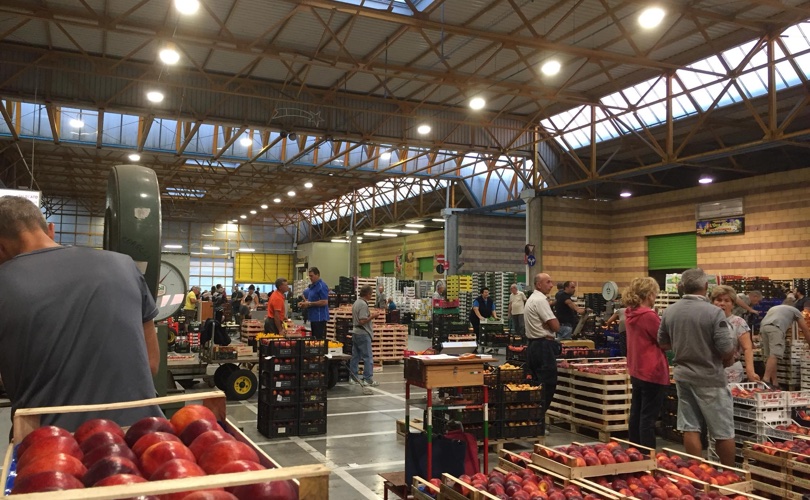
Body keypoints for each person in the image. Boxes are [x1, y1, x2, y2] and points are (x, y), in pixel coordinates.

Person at [0, 196, 162, 429]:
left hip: (51, 440)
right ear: (51, 230)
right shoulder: (125, 265)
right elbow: (151, 364)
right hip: (141, 435)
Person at [657, 268, 736, 466]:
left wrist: (683, 345)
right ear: (706, 286)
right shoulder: (714, 312)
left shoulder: (670, 311)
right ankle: (730, 474)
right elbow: (726, 348)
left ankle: (696, 471)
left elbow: (662, 342)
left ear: (681, 286)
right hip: (710, 377)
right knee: (722, 431)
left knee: (690, 426)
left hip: (683, 376)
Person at [624, 277, 668, 450]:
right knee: (648, 418)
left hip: (637, 369)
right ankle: (647, 455)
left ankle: (634, 452)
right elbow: (663, 341)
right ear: (649, 295)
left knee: (636, 413)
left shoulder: (630, 313)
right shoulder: (649, 316)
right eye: (655, 293)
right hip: (652, 370)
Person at [523, 273, 560, 434]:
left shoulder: (531, 299)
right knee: (548, 384)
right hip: (543, 346)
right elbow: (556, 326)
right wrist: (551, 324)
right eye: (548, 282)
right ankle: (538, 420)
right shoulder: (540, 300)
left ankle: (533, 419)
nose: (551, 285)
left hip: (533, 345)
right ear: (538, 284)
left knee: (537, 383)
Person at [711, 285, 759, 383]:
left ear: (732, 304)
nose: (722, 303)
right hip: (708, 371)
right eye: (718, 300)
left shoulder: (738, 322)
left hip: (731, 372)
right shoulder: (705, 321)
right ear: (712, 302)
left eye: (726, 301)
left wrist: (750, 371)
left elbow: (747, 348)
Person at [759, 300, 810, 386]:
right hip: (775, 328)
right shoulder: (795, 310)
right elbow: (805, 329)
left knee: (770, 356)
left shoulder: (774, 308)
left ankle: (775, 383)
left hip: (763, 328)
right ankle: (766, 379)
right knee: (775, 354)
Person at [349, 285, 380, 387]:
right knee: (368, 357)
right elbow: (362, 321)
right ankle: (368, 379)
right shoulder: (363, 304)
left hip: (356, 332)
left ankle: (353, 377)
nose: (371, 296)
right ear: (368, 294)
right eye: (371, 294)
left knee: (355, 356)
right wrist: (373, 316)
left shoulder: (356, 302)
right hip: (363, 333)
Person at [301, 267, 330, 340]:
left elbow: (324, 302)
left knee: (318, 340)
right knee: (314, 339)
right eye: (309, 276)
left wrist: (309, 304)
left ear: (317, 275)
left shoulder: (321, 286)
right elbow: (311, 300)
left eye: (312, 276)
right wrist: (305, 303)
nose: (310, 278)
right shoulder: (312, 287)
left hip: (320, 318)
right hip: (313, 317)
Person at [470, 287, 498, 353]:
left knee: (486, 332)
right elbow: (475, 309)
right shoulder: (477, 300)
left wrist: (495, 317)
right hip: (475, 318)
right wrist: (480, 317)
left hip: (485, 319)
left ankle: (486, 346)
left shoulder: (490, 300)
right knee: (477, 331)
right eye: (485, 292)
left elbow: (493, 310)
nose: (487, 294)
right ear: (482, 293)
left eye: (487, 292)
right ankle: (475, 347)